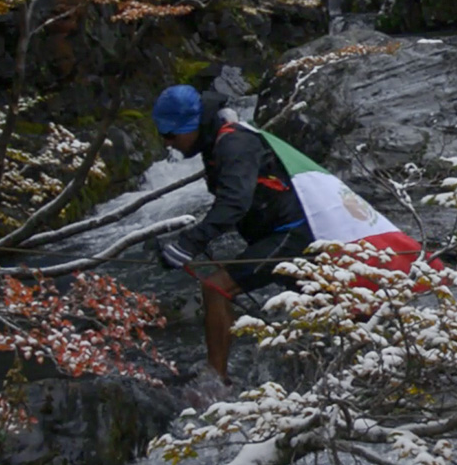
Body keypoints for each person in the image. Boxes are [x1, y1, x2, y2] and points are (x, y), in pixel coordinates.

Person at [152, 84, 441, 382]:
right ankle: (402, 361)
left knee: (216, 288)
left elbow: (234, 203)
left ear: (193, 125)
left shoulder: (233, 144)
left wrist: (188, 243)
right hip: (286, 233)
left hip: (292, 233)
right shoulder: (219, 142)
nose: (168, 142)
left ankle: (215, 382)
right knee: (340, 307)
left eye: (171, 134)